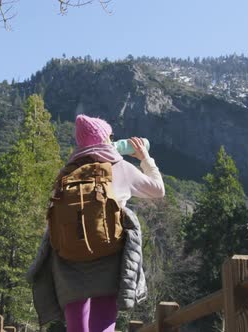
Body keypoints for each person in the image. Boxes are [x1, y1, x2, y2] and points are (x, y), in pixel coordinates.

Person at [27, 114, 165, 332]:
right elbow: (158, 190)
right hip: (107, 254)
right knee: (102, 324)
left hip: (68, 260)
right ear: (106, 140)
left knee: (77, 326)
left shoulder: (65, 174)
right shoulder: (120, 167)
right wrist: (145, 158)